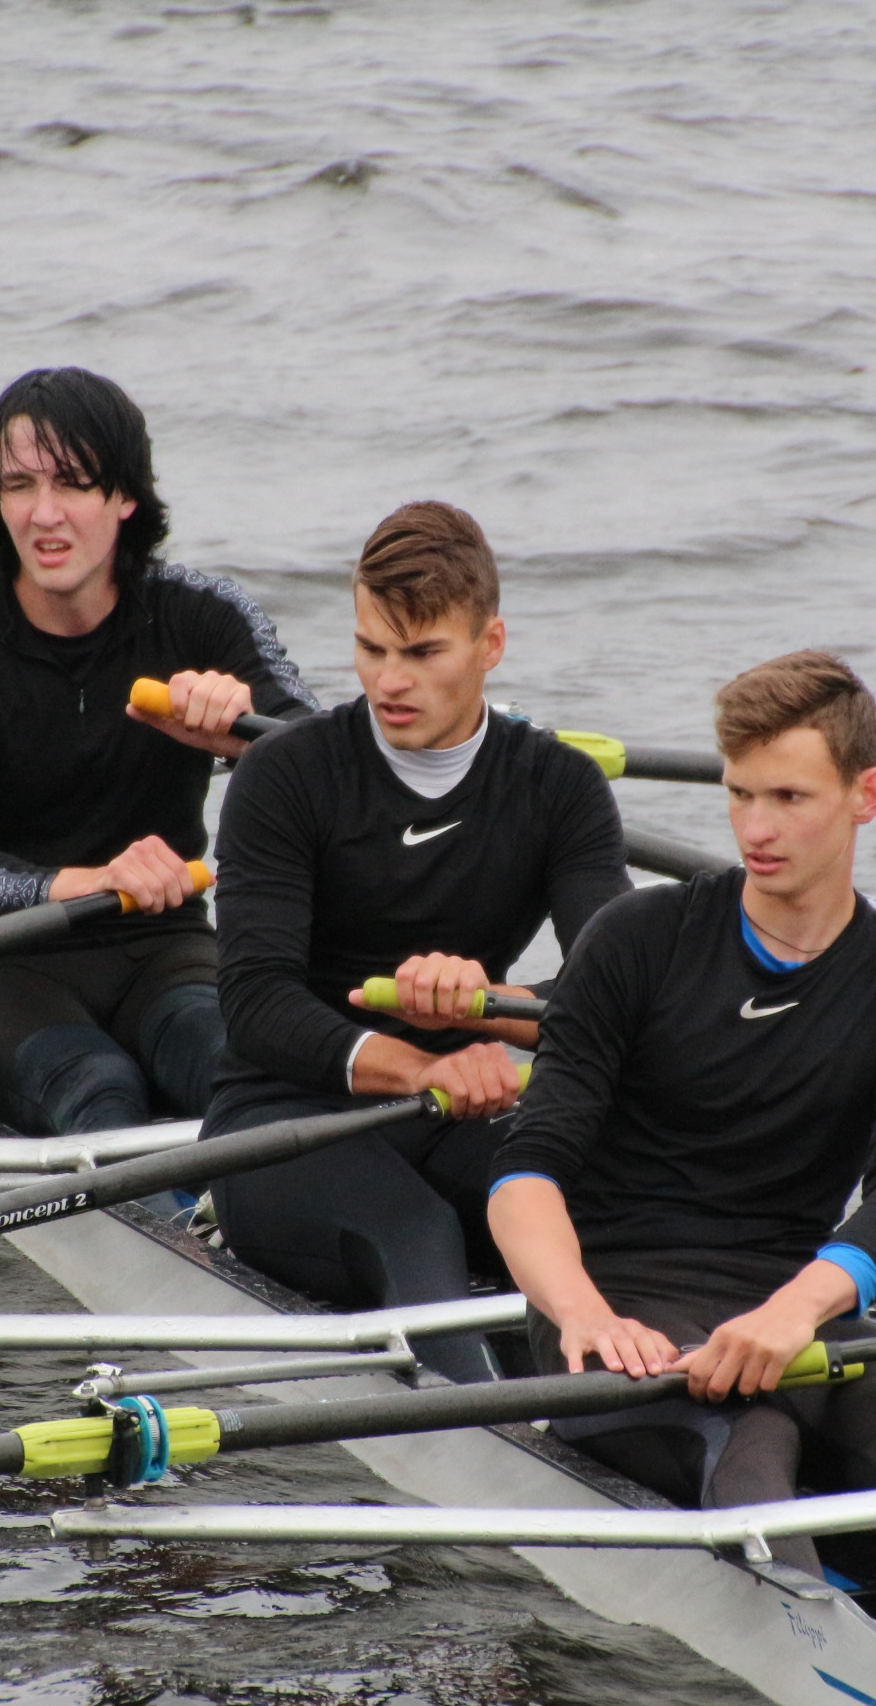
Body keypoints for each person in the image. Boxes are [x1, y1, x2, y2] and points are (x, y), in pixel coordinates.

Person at [485, 650, 876, 1625]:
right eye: (739, 795)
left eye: (789, 796)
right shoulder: (635, 940)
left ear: (868, 795)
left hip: (791, 1297)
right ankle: (823, 1648)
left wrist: (797, 1311)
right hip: (624, 1311)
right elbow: (527, 1169)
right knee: (749, 1438)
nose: (757, 828)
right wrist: (580, 1315)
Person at [206, 501, 631, 1384]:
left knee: (611, 1203)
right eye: (370, 649)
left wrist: (497, 1016)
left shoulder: (559, 787)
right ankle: (492, 1455)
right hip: (286, 1116)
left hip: (468, 1107)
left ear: (490, 644)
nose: (389, 682)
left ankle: (654, 1417)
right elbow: (253, 1003)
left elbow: (617, 1000)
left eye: (423, 653)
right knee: (417, 1230)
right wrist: (422, 1065)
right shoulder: (287, 775)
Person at [0, 366, 317, 1140]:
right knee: (97, 1085)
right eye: (19, 486)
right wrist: (95, 881)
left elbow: (331, 773)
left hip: (159, 943)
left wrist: (242, 742)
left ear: (125, 496)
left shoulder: (208, 617)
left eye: (72, 483)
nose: (44, 515)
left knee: (232, 1067)